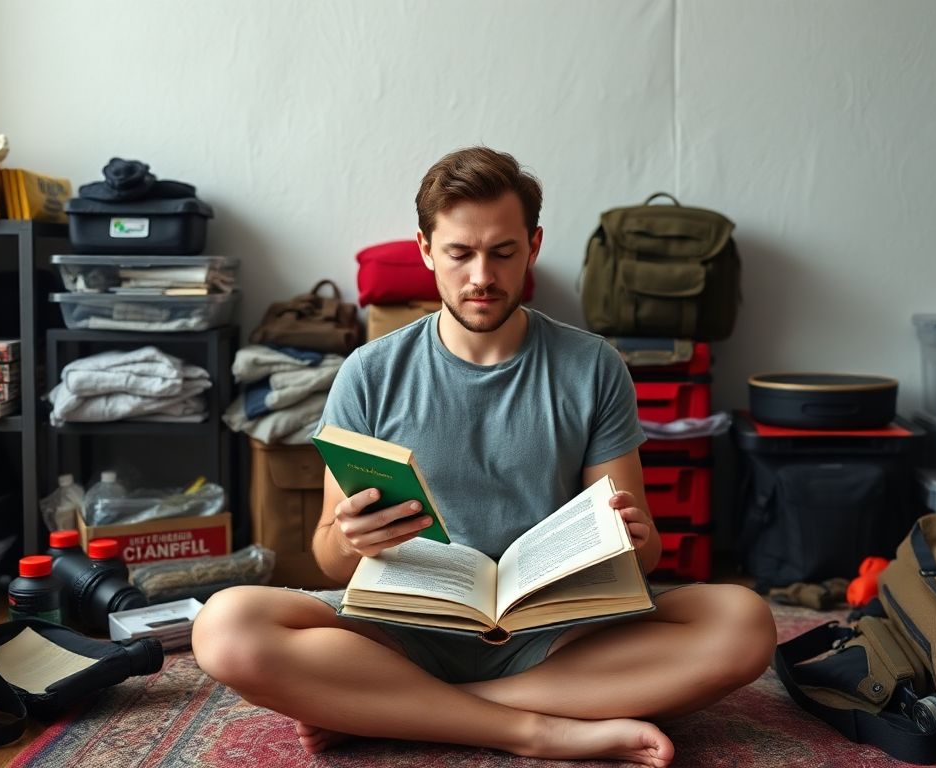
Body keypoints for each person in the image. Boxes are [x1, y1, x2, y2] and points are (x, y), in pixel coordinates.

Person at [192, 146, 776, 766]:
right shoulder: (370, 372)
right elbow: (330, 561)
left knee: (743, 623)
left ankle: (401, 710)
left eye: (503, 252)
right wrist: (351, 539)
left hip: (555, 634)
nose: (482, 277)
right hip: (402, 628)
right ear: (424, 249)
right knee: (224, 627)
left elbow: (648, 551)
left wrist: (634, 540)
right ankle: (535, 729)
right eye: (459, 253)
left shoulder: (591, 365)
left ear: (534, 245)